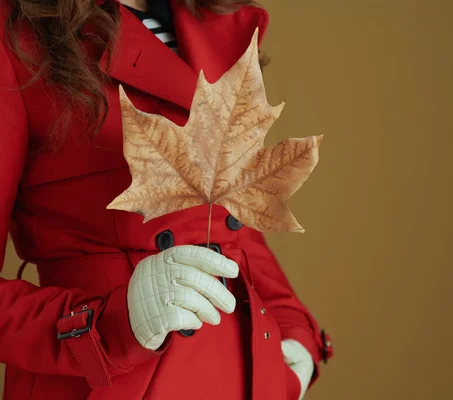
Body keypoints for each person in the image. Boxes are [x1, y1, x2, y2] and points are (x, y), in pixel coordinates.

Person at [0, 0, 333, 398]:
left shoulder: (208, 18)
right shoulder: (14, 35)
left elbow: (227, 223)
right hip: (105, 379)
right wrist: (112, 323)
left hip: (243, 372)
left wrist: (294, 331)